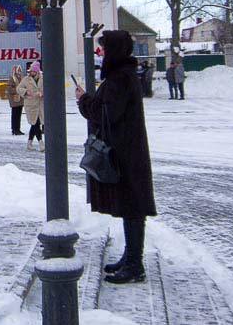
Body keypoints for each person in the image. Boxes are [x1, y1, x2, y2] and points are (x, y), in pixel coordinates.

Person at [75, 30, 156, 284]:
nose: (100, 52)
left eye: (103, 48)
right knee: (130, 206)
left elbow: (107, 113)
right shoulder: (122, 75)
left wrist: (84, 100)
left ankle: (134, 265)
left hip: (125, 153)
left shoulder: (120, 78)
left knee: (132, 207)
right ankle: (131, 258)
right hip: (125, 150)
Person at [17, 61, 44, 151]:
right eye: (30, 71)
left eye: (32, 71)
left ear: (36, 71)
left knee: (36, 124)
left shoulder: (42, 79)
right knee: (35, 123)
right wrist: (25, 92)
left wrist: (42, 93)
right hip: (31, 105)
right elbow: (18, 88)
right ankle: (41, 143)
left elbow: (48, 88)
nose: (30, 73)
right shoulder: (26, 79)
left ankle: (29, 143)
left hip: (40, 105)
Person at [6, 64, 24, 135]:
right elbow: (9, 89)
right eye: (18, 70)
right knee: (15, 115)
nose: (19, 72)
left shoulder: (21, 78)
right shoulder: (12, 78)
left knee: (18, 115)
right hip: (15, 100)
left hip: (20, 99)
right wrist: (18, 90)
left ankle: (18, 129)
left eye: (20, 70)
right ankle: (14, 129)